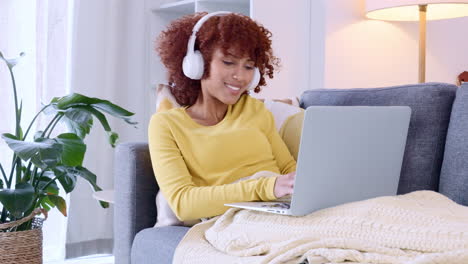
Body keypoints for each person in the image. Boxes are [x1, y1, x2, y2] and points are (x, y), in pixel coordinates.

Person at [148, 11, 296, 222]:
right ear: (197, 63)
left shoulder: (255, 111)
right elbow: (183, 203)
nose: (241, 76)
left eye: (249, 66)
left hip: (281, 208)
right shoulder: (167, 125)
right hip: (234, 218)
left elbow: (290, 170)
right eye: (228, 62)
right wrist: (265, 187)